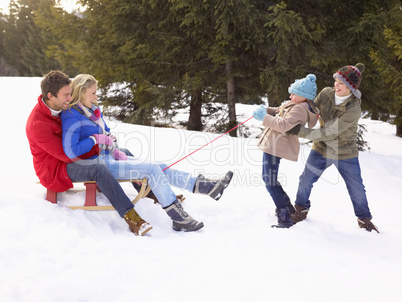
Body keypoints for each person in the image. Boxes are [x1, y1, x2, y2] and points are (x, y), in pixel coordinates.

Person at [60, 73, 233, 234]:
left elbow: (103, 132)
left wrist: (108, 136)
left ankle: (204, 186)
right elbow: (71, 150)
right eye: (93, 93)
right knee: (151, 169)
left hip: (109, 156)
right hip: (98, 164)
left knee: (158, 167)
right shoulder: (71, 115)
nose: (96, 96)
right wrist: (95, 138)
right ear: (81, 92)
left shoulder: (92, 112)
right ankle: (178, 217)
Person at [287, 63, 379, 233]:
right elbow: (310, 108)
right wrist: (290, 112)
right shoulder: (326, 93)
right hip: (321, 148)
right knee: (306, 179)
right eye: (336, 80)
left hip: (345, 151)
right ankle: (300, 209)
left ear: (351, 87)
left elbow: (330, 132)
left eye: (341, 83)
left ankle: (364, 220)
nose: (336, 85)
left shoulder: (353, 108)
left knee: (356, 188)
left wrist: (300, 131)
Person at [253, 74, 319, 228]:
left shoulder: (300, 110)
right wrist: (265, 110)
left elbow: (283, 125)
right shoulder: (295, 104)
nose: (290, 96)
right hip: (273, 145)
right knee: (269, 179)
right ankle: (287, 208)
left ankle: (284, 217)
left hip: (277, 146)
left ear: (303, 96)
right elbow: (278, 111)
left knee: (269, 181)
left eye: (293, 94)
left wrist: (264, 117)